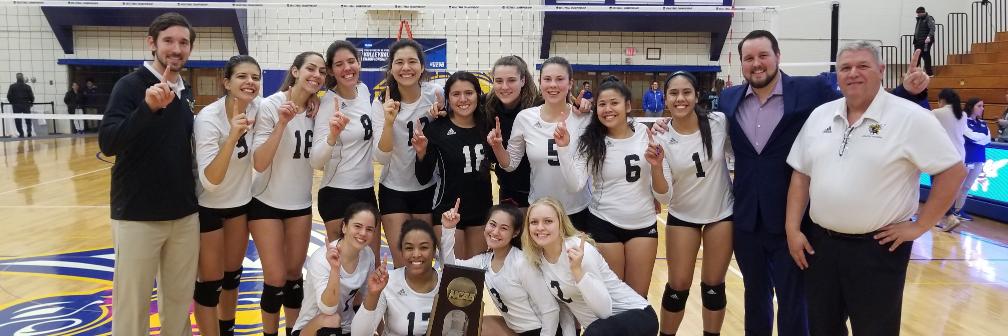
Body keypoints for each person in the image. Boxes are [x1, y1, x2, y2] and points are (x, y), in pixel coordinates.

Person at [652, 29, 930, 336]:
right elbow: (693, 123)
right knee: (754, 296)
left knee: (793, 301)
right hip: (746, 220)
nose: (756, 64)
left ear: (778, 57)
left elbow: (858, 97)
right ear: (741, 64)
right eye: (748, 58)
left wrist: (906, 91)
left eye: (763, 56)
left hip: (792, 221)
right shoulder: (729, 101)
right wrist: (668, 121)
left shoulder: (810, 90)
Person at [785, 40, 966, 335]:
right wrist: (793, 229)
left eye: (863, 66)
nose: (853, 73)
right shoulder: (820, 115)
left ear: (881, 71)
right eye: (845, 67)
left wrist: (920, 226)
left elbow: (953, 172)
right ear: (837, 75)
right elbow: (801, 176)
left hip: (879, 249)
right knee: (822, 328)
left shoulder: (910, 116)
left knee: (875, 329)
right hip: (822, 245)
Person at [98, 12, 199, 335]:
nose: (176, 48)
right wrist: (147, 108)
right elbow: (109, 142)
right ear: (151, 43)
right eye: (168, 40)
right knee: (132, 307)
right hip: (137, 216)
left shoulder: (185, 92)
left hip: (183, 216)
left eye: (183, 42)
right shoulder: (130, 86)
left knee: (180, 305)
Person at [555, 76, 668, 297]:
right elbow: (575, 184)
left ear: (627, 105)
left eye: (614, 103)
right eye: (602, 104)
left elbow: (664, 196)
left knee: (637, 299)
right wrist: (564, 149)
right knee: (612, 299)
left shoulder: (647, 135)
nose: (608, 109)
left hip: (643, 223)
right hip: (604, 222)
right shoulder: (592, 140)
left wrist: (657, 168)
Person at [250, 51, 324, 336]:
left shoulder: (318, 109)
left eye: (321, 71)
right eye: (310, 69)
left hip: (300, 204)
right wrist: (282, 123)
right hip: (265, 203)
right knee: (276, 278)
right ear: (295, 71)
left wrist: (313, 102)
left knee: (294, 277)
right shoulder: (270, 106)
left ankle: (294, 331)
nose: (316, 75)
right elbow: (259, 161)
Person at [654, 72, 734, 336]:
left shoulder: (718, 122)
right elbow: (664, 196)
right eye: (674, 93)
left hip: (720, 214)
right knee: (677, 285)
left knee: (714, 284)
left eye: (686, 92)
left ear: (697, 95)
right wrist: (655, 167)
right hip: (683, 215)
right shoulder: (661, 137)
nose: (680, 98)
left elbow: (739, 153)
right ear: (665, 98)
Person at [192, 55, 260, 336]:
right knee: (210, 283)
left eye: (255, 77)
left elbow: (290, 98)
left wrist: (313, 99)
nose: (250, 82)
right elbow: (210, 181)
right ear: (227, 82)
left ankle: (227, 330)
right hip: (208, 206)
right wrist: (232, 136)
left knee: (232, 278)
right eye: (242, 76)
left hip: (240, 205)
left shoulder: (259, 108)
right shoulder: (209, 118)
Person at [521, 198, 658, 336]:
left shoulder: (580, 252)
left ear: (561, 223)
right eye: (534, 222)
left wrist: (577, 271)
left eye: (548, 221)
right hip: (600, 329)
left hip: (637, 316)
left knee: (596, 332)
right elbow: (565, 309)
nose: (540, 227)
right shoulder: (537, 260)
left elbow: (604, 311)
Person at [489, 56, 593, 229]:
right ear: (540, 82)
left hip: (578, 210)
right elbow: (510, 164)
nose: (553, 84)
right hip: (539, 211)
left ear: (570, 83)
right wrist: (498, 146)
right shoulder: (525, 118)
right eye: (547, 79)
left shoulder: (585, 119)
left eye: (560, 79)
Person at [440, 201, 570, 336]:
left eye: (504, 228)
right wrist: (448, 229)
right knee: (474, 326)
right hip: (517, 330)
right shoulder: (485, 260)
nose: (495, 232)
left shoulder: (522, 263)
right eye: (492, 224)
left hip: (544, 330)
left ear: (515, 233)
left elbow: (551, 310)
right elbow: (449, 269)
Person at [372, 39, 444, 267]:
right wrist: (388, 123)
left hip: (428, 188)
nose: (406, 68)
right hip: (393, 189)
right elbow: (381, 158)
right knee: (403, 263)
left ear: (422, 67)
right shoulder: (383, 101)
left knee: (423, 264)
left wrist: (441, 116)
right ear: (391, 68)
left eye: (412, 61)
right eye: (399, 62)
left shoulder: (436, 94)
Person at [310, 41, 379, 260]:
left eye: (351, 61)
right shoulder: (329, 104)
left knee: (371, 263)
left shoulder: (364, 90)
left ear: (359, 63)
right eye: (339, 64)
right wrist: (332, 135)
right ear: (330, 70)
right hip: (337, 193)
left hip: (366, 191)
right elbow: (315, 162)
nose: (347, 68)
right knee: (342, 268)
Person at [415, 71, 494, 259]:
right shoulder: (437, 129)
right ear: (448, 98)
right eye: (456, 94)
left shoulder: (488, 125)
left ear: (478, 95)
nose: (463, 99)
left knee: (476, 279)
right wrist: (421, 153)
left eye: (469, 93)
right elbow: (423, 177)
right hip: (448, 211)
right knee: (454, 277)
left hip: (481, 212)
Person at [291, 203, 379, 336]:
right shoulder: (321, 259)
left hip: (346, 327)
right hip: (312, 328)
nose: (363, 233)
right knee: (332, 320)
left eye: (369, 229)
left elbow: (361, 299)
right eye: (357, 226)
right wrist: (335, 270)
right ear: (344, 227)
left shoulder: (368, 255)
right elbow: (328, 309)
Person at [351, 219, 441, 336]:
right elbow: (358, 334)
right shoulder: (388, 281)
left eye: (423, 247)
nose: (416, 254)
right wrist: (373, 294)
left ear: (434, 251)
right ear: (402, 252)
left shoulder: (448, 284)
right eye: (409, 248)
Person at [486, 55, 541, 209]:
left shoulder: (539, 107)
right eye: (499, 81)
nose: (504, 87)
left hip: (539, 192)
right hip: (507, 188)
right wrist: (442, 110)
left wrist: (580, 107)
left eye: (511, 80)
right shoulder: (487, 107)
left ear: (523, 80)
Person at [945, 97, 990, 230]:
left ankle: (958, 210)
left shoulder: (983, 123)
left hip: (979, 158)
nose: (982, 108)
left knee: (967, 187)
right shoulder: (963, 120)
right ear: (971, 107)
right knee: (958, 186)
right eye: (979, 106)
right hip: (967, 158)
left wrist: (979, 138)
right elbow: (971, 136)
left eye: (983, 106)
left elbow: (987, 139)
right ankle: (948, 210)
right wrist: (979, 137)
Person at [7, 73, 35, 138]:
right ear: (22, 78)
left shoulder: (12, 86)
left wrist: (12, 103)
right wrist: (31, 103)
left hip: (16, 105)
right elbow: (32, 97)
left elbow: (9, 96)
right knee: (28, 119)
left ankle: (21, 133)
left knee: (18, 120)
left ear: (16, 78)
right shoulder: (27, 87)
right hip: (26, 105)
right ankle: (29, 132)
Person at [914, 6, 936, 76]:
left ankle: (929, 73)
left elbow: (932, 28)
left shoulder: (929, 18)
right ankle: (915, 72)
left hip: (926, 41)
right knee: (916, 57)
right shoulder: (919, 19)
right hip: (918, 42)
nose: (917, 15)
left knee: (926, 56)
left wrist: (929, 37)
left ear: (922, 12)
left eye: (918, 13)